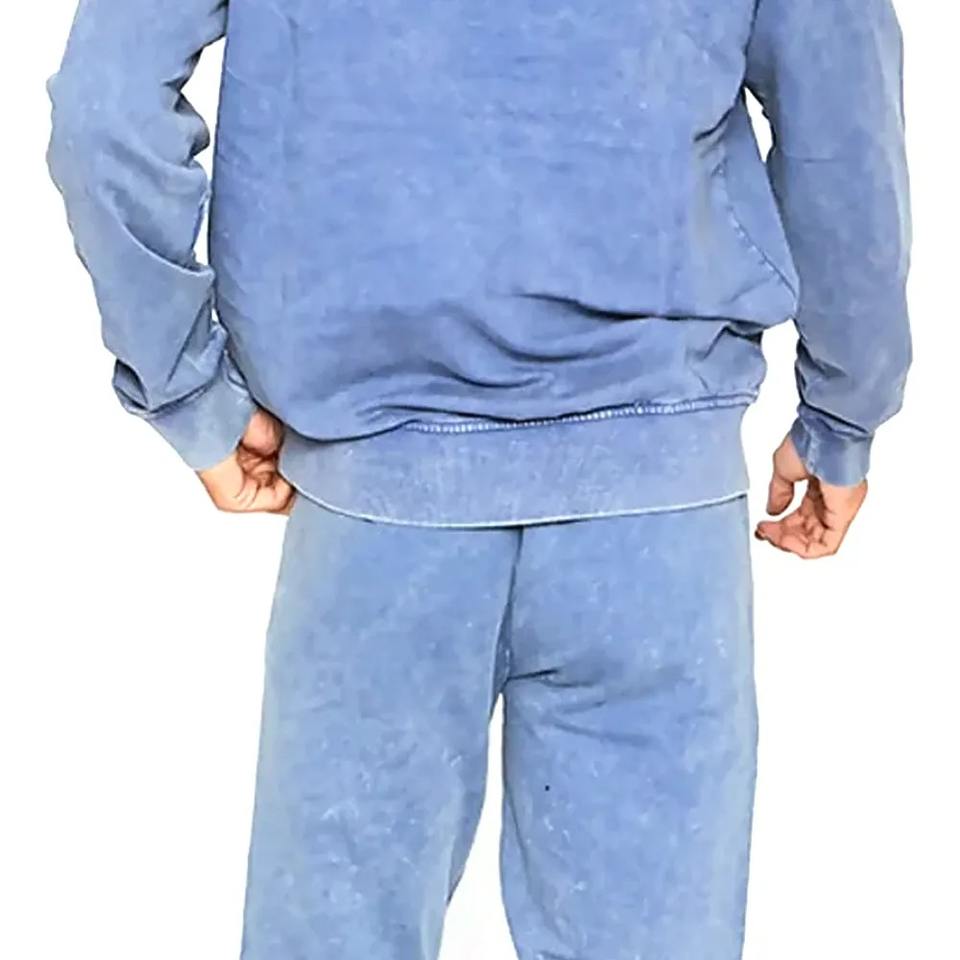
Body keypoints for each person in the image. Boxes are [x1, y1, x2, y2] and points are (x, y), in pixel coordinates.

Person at [45, 0, 911, 957]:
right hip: (654, 522)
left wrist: (189, 389)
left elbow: (106, 110)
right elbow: (842, 115)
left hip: (377, 519)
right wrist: (845, 405)